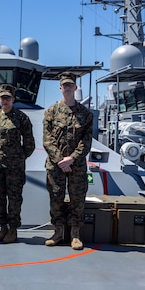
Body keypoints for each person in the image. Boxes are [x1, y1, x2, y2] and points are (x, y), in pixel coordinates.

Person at [43, 72, 93, 250]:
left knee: (77, 199)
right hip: (56, 165)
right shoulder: (51, 111)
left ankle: (75, 235)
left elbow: (86, 141)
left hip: (76, 165)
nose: (67, 88)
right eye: (64, 85)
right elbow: (47, 139)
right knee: (56, 197)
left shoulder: (85, 114)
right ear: (60, 88)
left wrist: (71, 159)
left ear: (75, 87)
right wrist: (60, 160)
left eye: (70, 85)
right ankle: (58, 233)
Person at [0, 84, 35, 243]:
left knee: (14, 199)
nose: (5, 100)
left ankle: (13, 229)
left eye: (8, 98)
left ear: (13, 99)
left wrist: (18, 158)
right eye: (2, 97)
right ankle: (3, 227)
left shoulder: (21, 118)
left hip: (14, 168)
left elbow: (29, 144)